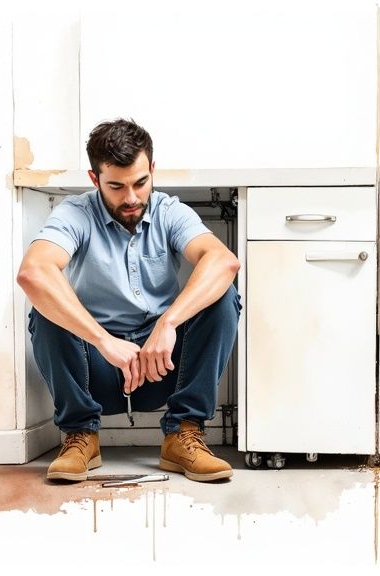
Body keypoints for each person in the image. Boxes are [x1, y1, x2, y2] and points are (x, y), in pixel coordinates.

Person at [17, 118, 241, 483]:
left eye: (140, 182)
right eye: (117, 187)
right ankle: (80, 437)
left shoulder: (169, 211)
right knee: (45, 308)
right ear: (95, 179)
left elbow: (223, 261)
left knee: (221, 296)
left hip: (162, 366)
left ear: (152, 170)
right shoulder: (75, 214)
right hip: (99, 369)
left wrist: (167, 324)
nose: (132, 197)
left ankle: (185, 433)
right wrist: (103, 341)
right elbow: (34, 272)